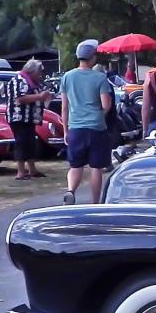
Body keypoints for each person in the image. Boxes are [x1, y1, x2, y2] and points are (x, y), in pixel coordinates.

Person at [59, 39, 114, 204]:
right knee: (96, 167)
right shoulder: (100, 78)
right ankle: (95, 202)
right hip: (96, 127)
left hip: (76, 127)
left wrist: (65, 131)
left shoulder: (67, 77)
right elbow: (106, 105)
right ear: (92, 58)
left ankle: (70, 190)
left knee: (75, 166)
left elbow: (64, 107)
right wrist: (99, 114)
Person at [6, 59, 51, 181]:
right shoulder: (19, 80)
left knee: (30, 143)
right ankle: (20, 172)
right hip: (19, 118)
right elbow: (20, 99)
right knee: (21, 143)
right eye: (39, 72)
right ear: (32, 71)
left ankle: (32, 170)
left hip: (29, 118)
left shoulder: (31, 81)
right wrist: (40, 96)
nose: (40, 75)